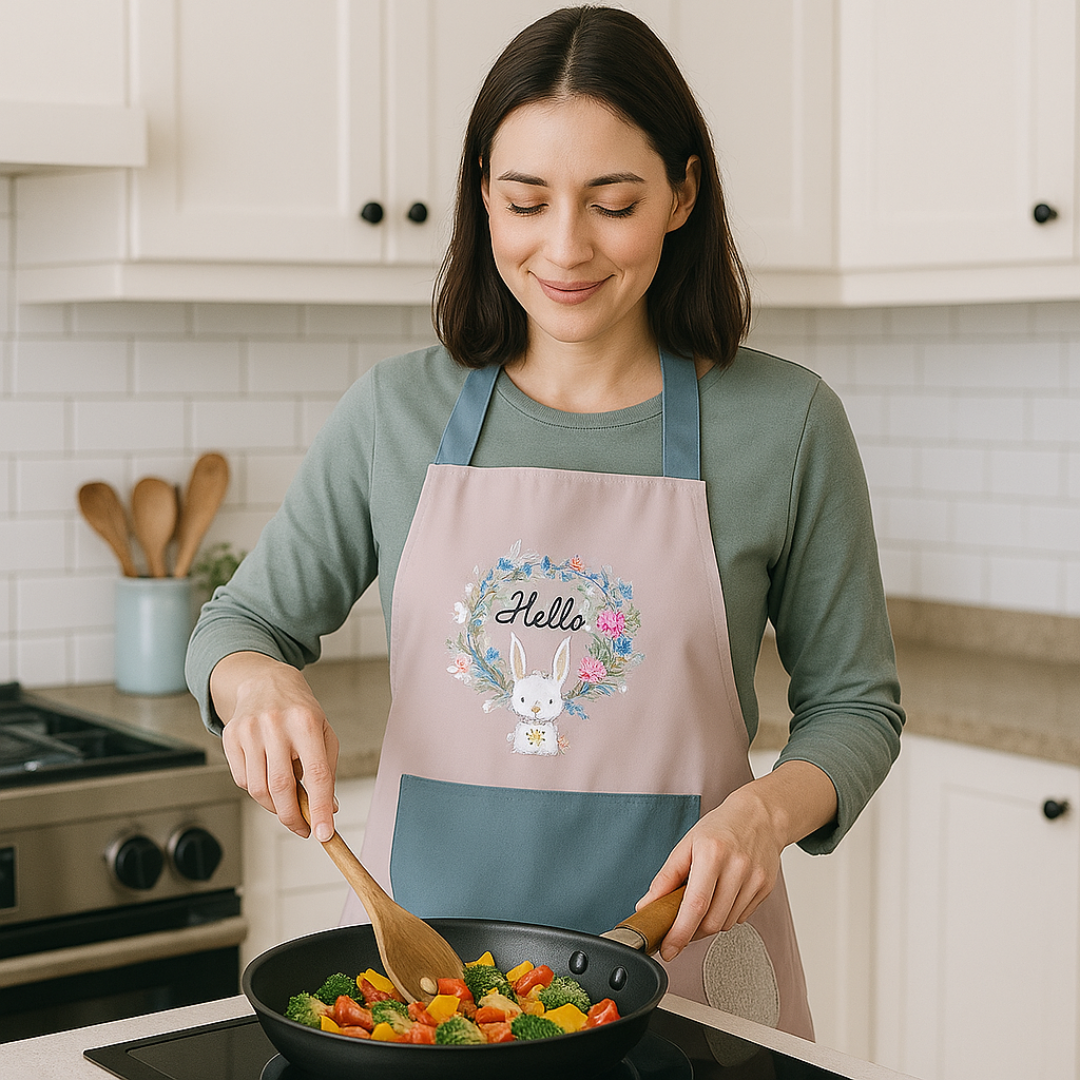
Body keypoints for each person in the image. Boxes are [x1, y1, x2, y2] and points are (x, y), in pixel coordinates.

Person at [186, 5, 903, 1040]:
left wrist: (765, 811)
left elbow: (858, 707)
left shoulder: (786, 425)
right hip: (417, 1001)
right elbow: (238, 621)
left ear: (683, 194)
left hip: (687, 984)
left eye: (613, 203)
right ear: (482, 194)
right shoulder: (396, 413)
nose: (564, 248)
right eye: (525, 201)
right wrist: (252, 684)